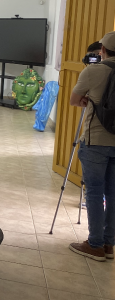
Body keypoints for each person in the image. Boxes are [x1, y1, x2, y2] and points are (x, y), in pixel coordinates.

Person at [68, 31, 115, 262]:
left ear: (102, 51)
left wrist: (89, 101)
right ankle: (108, 244)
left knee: (94, 192)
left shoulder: (93, 71)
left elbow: (75, 100)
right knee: (113, 193)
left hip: (96, 140)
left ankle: (94, 244)